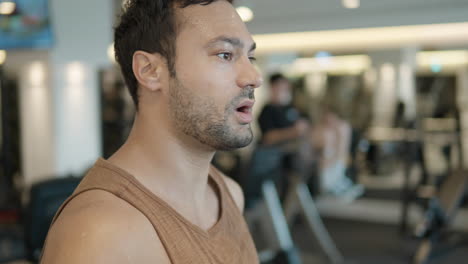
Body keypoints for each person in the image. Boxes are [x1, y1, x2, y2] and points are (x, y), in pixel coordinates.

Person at [40, 0, 263, 263]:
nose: (253, 76)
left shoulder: (229, 194)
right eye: (225, 55)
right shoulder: (100, 232)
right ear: (150, 71)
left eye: (250, 57)